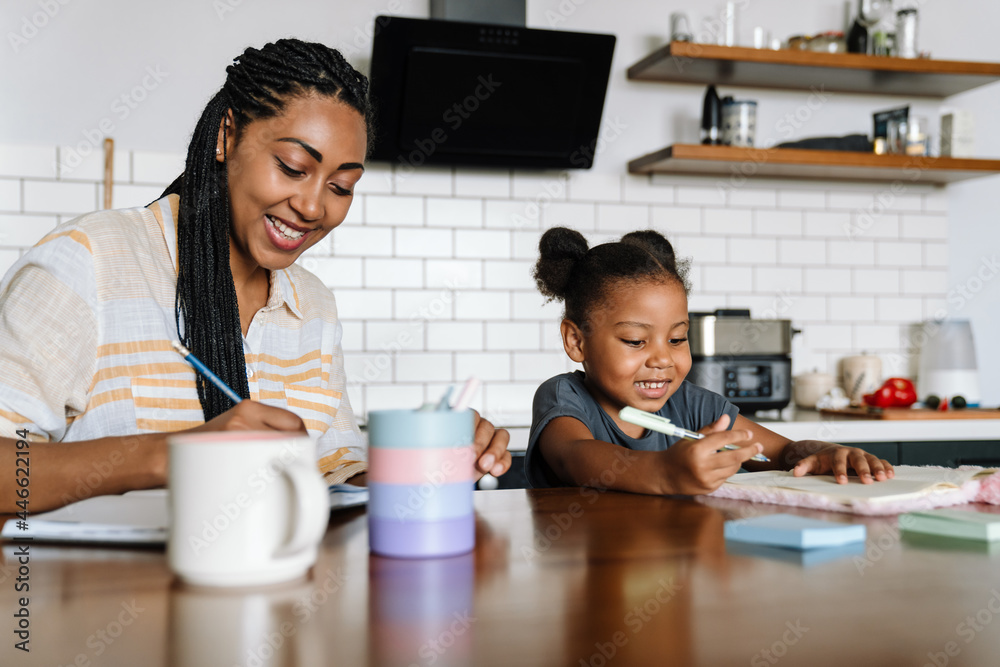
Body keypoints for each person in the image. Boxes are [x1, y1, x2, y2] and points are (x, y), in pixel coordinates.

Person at [0, 39, 510, 513]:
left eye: (341, 186)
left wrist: (421, 463)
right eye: (292, 167)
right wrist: (170, 456)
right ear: (227, 137)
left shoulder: (313, 306)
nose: (313, 206)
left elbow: (333, 476)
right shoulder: (89, 262)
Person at [524, 227, 893, 494]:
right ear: (576, 341)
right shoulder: (564, 399)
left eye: (677, 338)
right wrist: (665, 472)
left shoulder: (691, 404)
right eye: (635, 340)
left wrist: (821, 453)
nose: (663, 359)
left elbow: (780, 453)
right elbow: (575, 457)